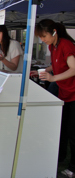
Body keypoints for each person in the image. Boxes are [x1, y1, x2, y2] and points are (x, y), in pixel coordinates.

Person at [35, 19, 75, 177]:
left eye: (44, 36)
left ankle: (73, 167)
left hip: (73, 94)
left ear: (54, 32)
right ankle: (60, 157)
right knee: (62, 128)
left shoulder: (66, 45)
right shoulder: (53, 46)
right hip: (64, 93)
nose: (42, 40)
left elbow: (73, 68)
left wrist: (53, 78)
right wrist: (45, 70)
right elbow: (57, 64)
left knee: (72, 132)